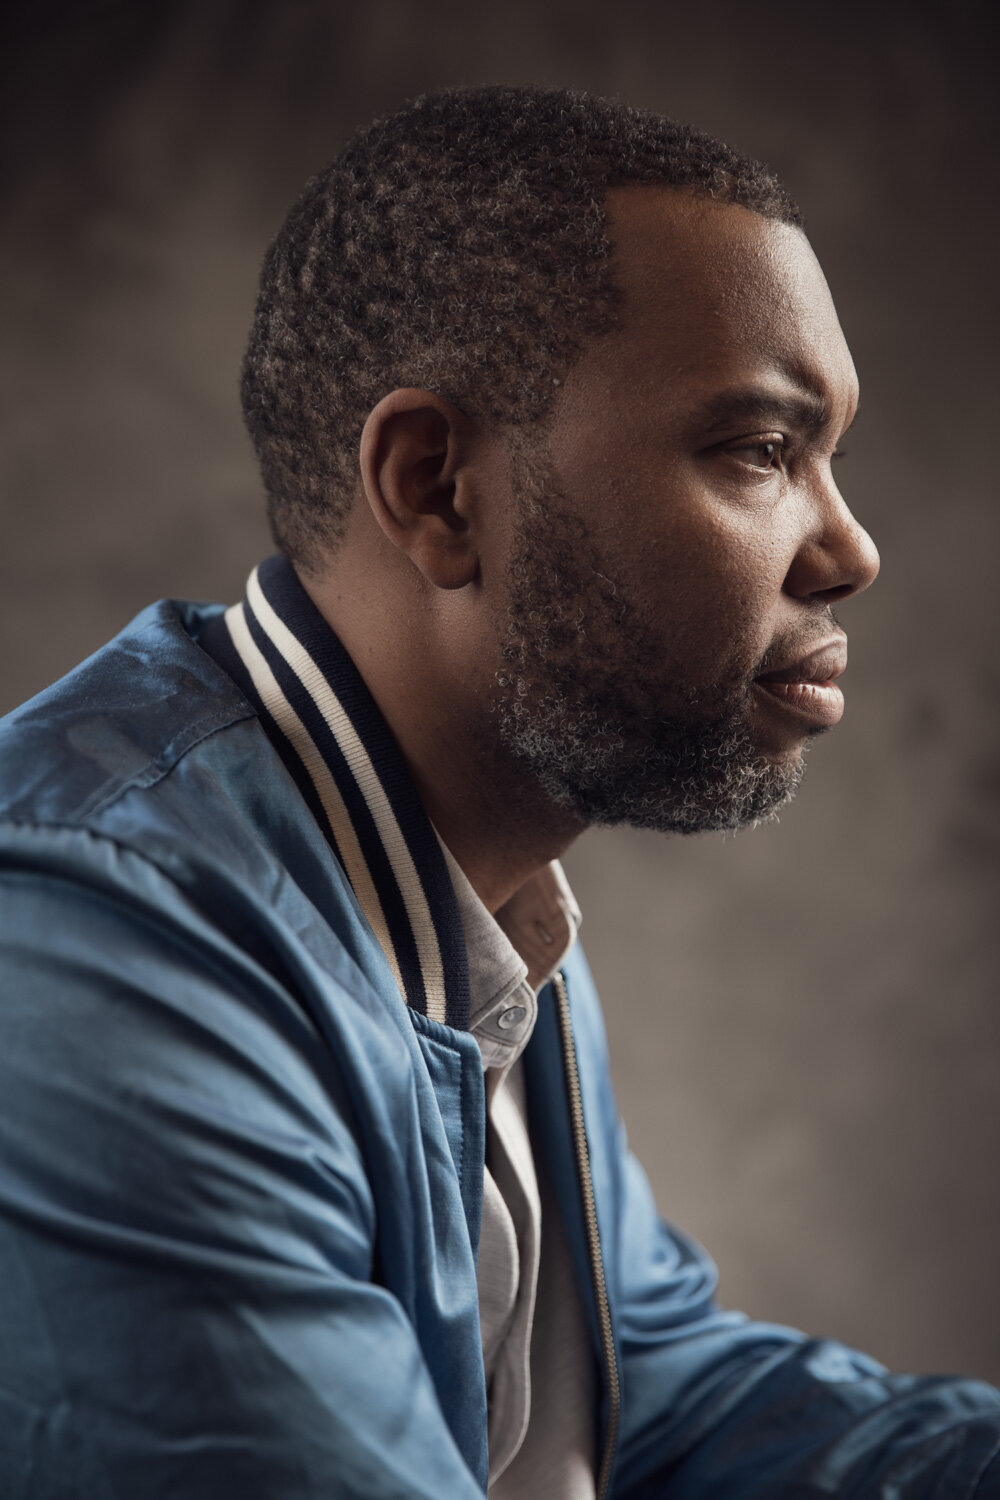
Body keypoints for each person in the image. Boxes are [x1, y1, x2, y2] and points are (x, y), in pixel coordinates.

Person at [0, 84, 996, 1500]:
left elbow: (641, 1403)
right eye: (761, 452)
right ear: (438, 489)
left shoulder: (472, 893)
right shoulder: (94, 951)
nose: (851, 550)